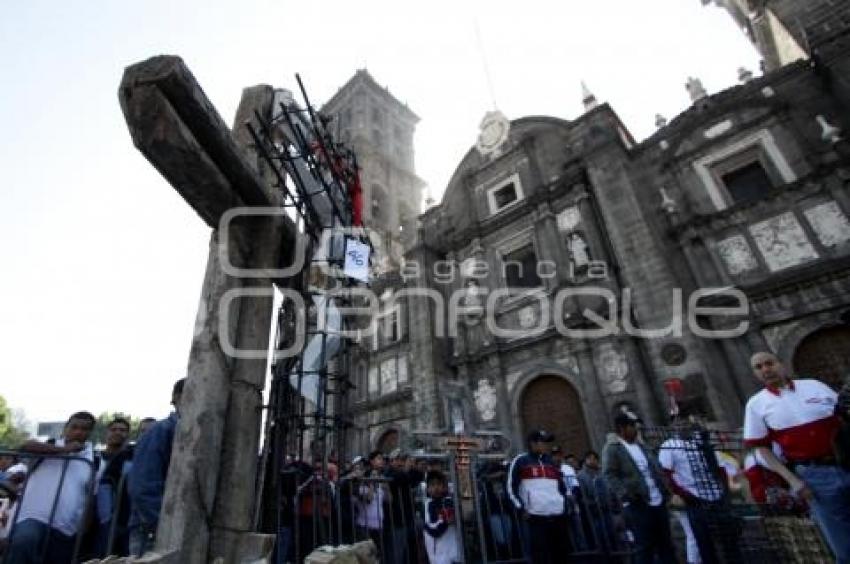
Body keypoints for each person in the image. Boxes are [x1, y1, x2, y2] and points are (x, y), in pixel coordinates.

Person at [743, 352, 849, 562]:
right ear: (755, 373)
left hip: (846, 462)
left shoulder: (814, 386)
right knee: (844, 546)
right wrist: (793, 480)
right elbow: (760, 449)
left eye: (769, 363)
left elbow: (844, 416)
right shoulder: (756, 405)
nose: (766, 369)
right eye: (759, 367)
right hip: (815, 477)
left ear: (780, 364)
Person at [5, 411, 97, 564]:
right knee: (23, 543)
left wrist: (83, 530)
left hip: (66, 527)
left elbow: (91, 497)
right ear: (65, 428)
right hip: (33, 517)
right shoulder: (50, 444)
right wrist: (65, 451)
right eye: (74, 427)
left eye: (84, 429)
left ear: (90, 432)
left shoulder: (95, 459)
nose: (78, 432)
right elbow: (26, 446)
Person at [658, 420, 741, 564]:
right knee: (704, 542)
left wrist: (724, 490)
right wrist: (682, 494)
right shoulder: (669, 446)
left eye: (684, 422)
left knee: (729, 539)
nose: (682, 426)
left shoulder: (701, 443)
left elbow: (719, 468)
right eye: (677, 423)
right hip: (694, 499)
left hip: (716, 495)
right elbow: (666, 473)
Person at [602, 412, 676, 564]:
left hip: (658, 500)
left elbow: (655, 468)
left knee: (666, 544)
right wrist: (626, 494)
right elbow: (609, 475)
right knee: (645, 547)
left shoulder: (642, 446)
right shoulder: (613, 449)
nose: (636, 429)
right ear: (622, 429)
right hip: (638, 503)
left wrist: (665, 490)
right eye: (632, 426)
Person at [127, 377, 185, 557]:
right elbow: (143, 487)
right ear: (175, 398)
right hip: (154, 532)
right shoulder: (160, 431)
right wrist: (162, 524)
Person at [506, 429, 571, 564]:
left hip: (557, 515)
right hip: (535, 517)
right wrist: (521, 508)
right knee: (540, 556)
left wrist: (564, 504)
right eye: (543, 442)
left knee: (561, 554)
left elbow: (561, 485)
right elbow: (510, 487)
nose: (546, 445)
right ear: (533, 443)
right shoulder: (520, 461)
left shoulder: (551, 462)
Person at [92, 417, 134, 557]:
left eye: (122, 430)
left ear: (128, 434)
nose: (117, 433)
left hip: (119, 517)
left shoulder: (132, 458)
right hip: (90, 512)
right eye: (113, 429)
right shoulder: (94, 457)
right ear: (107, 433)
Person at [422, 471, 459, 564]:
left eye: (439, 484)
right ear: (427, 489)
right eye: (432, 485)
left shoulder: (450, 501)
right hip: (438, 555)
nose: (436, 487)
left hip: (453, 552)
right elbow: (434, 530)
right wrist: (446, 522)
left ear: (444, 486)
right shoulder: (428, 504)